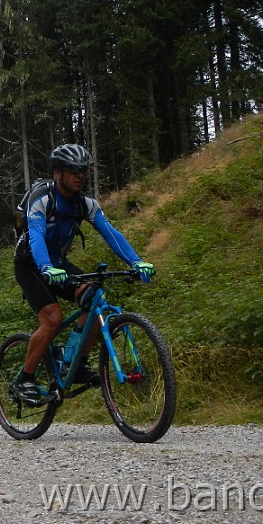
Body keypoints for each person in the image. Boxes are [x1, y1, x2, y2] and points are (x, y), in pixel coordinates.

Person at [12, 143, 155, 406]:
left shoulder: (86, 203)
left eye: (83, 171)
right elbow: (36, 236)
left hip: (58, 263)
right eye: (73, 170)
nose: (80, 175)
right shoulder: (42, 198)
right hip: (31, 264)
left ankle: (74, 364)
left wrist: (137, 261)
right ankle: (25, 379)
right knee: (53, 320)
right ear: (58, 173)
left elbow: (111, 233)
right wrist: (45, 267)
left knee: (93, 299)